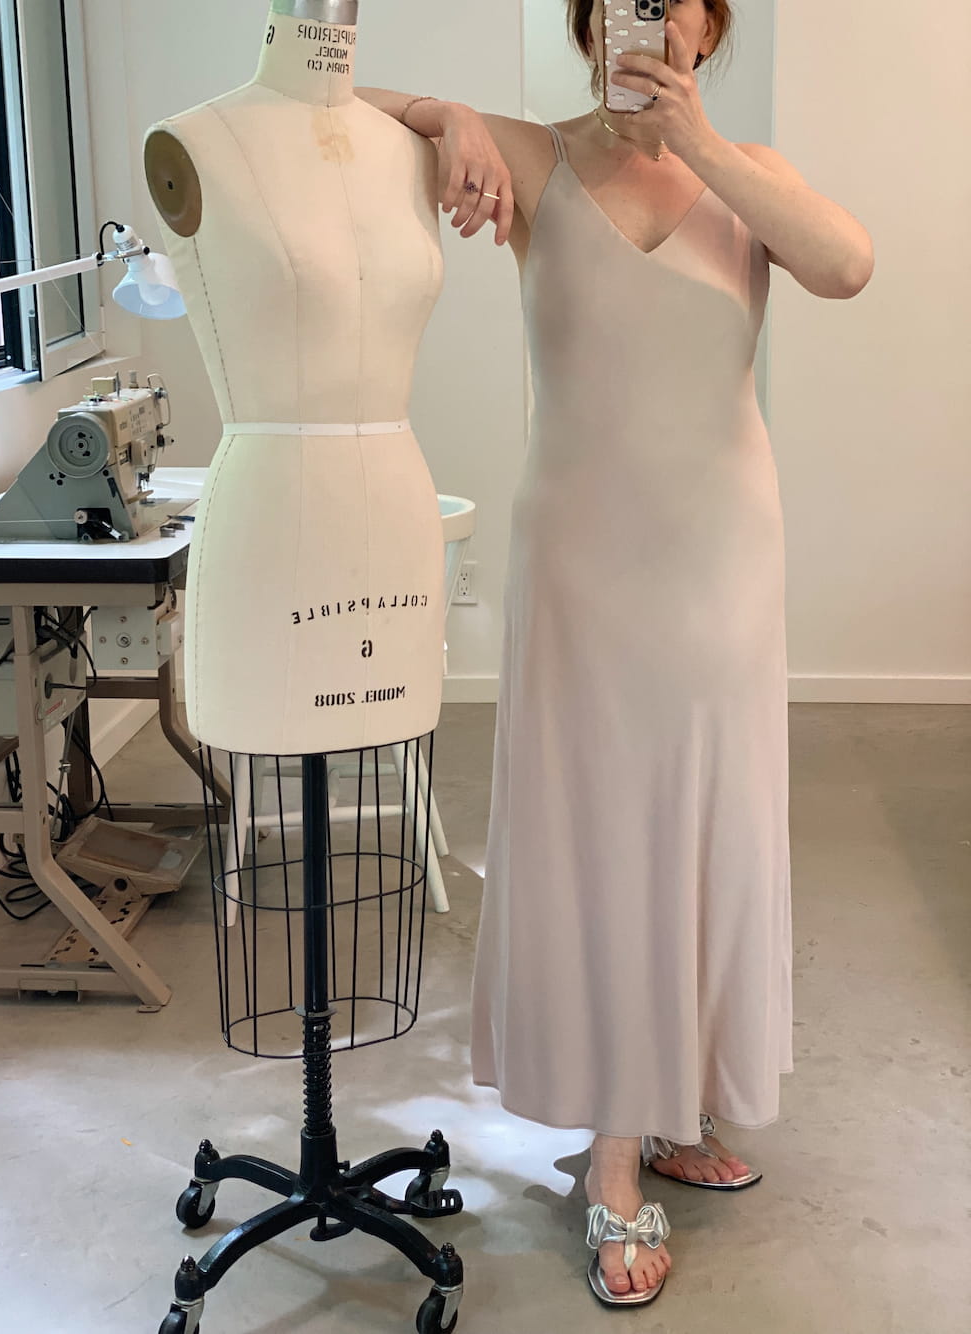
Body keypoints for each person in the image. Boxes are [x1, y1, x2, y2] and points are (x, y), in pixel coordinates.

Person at [361, 0, 873, 1307]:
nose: (643, 22)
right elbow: (327, 115)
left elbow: (849, 265)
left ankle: (676, 1102)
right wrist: (444, 115)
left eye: (672, 1)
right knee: (600, 834)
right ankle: (614, 1160)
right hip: (586, 564)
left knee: (703, 822)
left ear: (709, 25)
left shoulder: (746, 177)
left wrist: (694, 140)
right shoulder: (531, 158)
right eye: (620, 2)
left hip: (718, 565)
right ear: (594, 26)